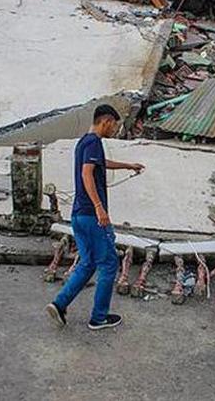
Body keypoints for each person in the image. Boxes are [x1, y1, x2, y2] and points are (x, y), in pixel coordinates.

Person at [46, 105, 144, 330]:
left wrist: (128, 166)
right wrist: (100, 208)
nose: (114, 130)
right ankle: (99, 317)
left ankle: (59, 304)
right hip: (92, 216)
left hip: (78, 215)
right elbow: (87, 173)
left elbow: (99, 164)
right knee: (109, 263)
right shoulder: (93, 143)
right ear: (106, 121)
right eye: (114, 125)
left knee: (88, 262)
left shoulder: (83, 142)